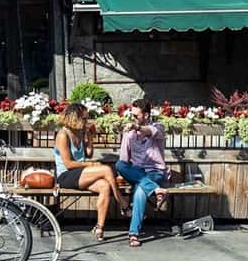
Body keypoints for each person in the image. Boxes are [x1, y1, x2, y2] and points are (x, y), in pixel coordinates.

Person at [54, 102, 130, 241]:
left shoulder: (79, 131)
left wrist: (90, 138)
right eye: (84, 118)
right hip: (66, 175)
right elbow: (68, 163)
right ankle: (122, 201)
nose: (86, 121)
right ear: (74, 117)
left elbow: (88, 153)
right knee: (106, 169)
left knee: (104, 186)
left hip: (81, 173)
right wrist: (90, 164)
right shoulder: (63, 135)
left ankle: (99, 228)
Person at [116, 99, 169, 248]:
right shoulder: (129, 133)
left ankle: (134, 233)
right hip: (136, 171)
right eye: (131, 116)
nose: (132, 119)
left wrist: (136, 127)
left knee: (140, 190)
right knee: (119, 165)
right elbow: (123, 160)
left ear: (145, 115)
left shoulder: (158, 127)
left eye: (136, 116)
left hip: (154, 171)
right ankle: (157, 189)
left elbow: (150, 132)